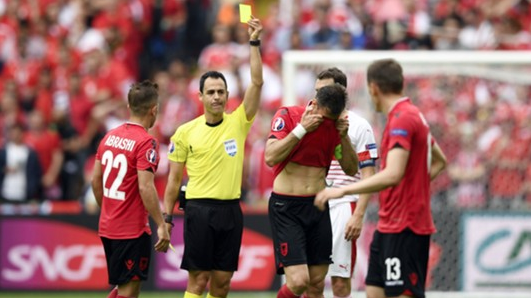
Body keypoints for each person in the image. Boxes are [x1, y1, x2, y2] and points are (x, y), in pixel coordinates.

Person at [315, 59, 447, 298]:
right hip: (387, 224)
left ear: (373, 87)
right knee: (374, 292)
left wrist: (342, 191)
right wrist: (413, 185)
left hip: (406, 225)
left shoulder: (403, 119)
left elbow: (393, 173)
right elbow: (439, 161)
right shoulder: (409, 114)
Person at [162, 17, 263, 298]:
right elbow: (173, 180)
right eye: (211, 92)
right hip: (199, 211)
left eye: (221, 92)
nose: (216, 97)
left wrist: (254, 42)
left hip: (231, 210)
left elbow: (257, 82)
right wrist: (166, 218)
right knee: (198, 281)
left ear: (228, 95)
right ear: (201, 96)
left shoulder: (239, 122)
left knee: (222, 284)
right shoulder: (185, 132)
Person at [265, 83, 358, 298]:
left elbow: (351, 169)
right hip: (287, 207)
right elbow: (270, 157)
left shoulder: (336, 127)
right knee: (298, 281)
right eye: (324, 118)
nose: (326, 124)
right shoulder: (288, 115)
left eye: (331, 120)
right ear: (314, 104)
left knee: (316, 283)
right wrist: (301, 129)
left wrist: (344, 137)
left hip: (317, 206)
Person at [92, 80, 171, 298]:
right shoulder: (146, 142)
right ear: (153, 110)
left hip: (108, 226)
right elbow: (146, 187)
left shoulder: (109, 136)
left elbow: (95, 181)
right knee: (129, 290)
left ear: (129, 107)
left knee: (123, 287)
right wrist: (161, 224)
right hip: (131, 230)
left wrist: (108, 209)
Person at [315, 68, 378, 298]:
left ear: (341, 91)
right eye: (316, 91)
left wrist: (359, 214)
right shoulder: (309, 122)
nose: (317, 97)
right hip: (312, 205)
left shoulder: (360, 126)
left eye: (324, 91)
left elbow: (368, 174)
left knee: (340, 284)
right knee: (312, 282)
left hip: (344, 205)